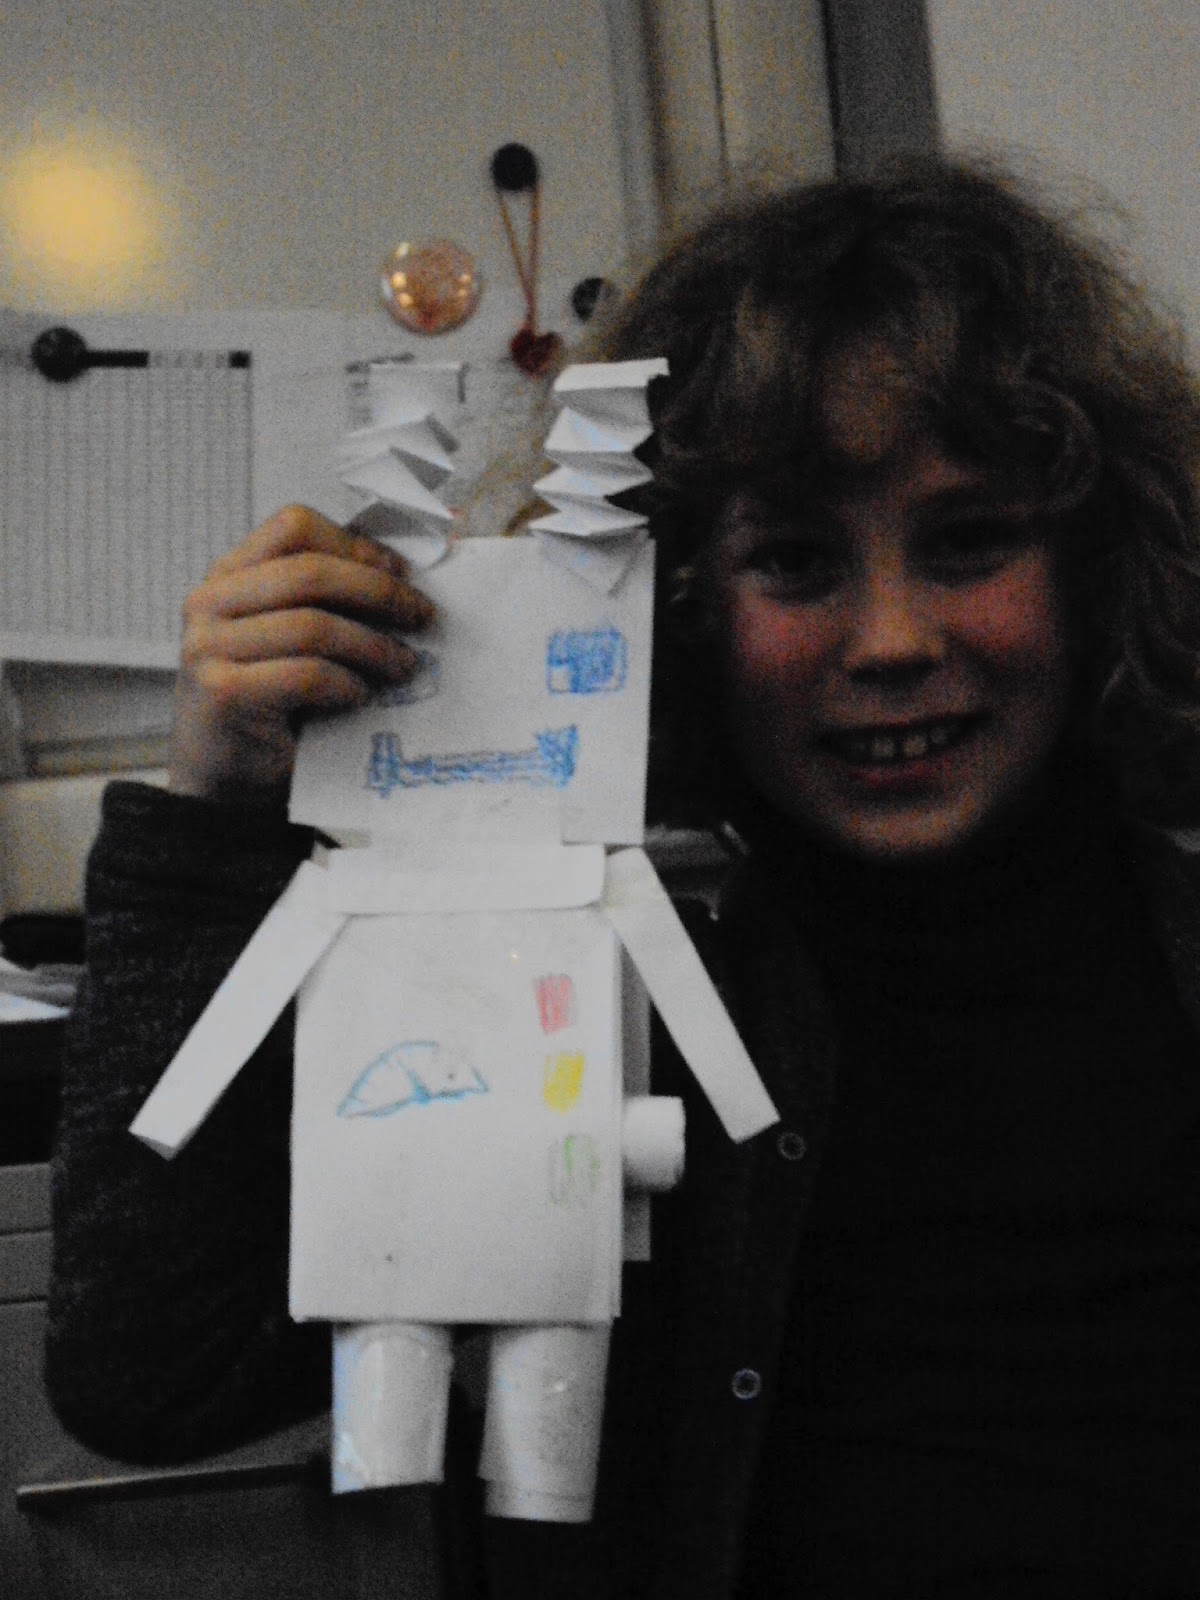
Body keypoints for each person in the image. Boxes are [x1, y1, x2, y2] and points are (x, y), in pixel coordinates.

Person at [45, 156, 1200, 1598]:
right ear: (678, 606)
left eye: (970, 542)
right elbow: (148, 1374)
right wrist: (209, 826)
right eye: (795, 562)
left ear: (1097, 563)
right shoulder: (569, 977)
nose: (894, 640)